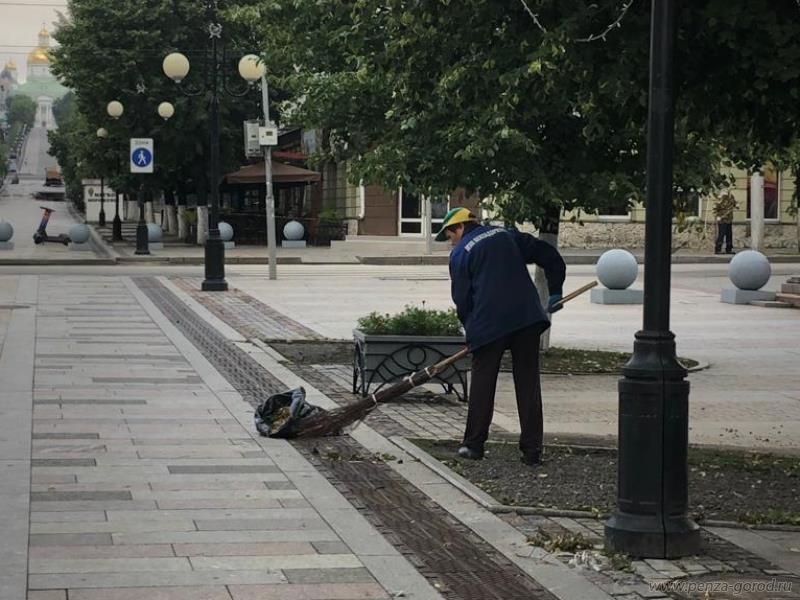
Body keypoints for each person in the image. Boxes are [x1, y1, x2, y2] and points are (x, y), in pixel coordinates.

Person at [436, 207, 566, 466]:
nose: (451, 242)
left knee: (483, 384)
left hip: (489, 324)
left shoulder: (460, 254)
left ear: (458, 227)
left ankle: (473, 445)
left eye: (450, 236)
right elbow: (548, 254)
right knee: (528, 383)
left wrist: (471, 330)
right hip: (526, 319)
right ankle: (532, 450)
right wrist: (555, 290)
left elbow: (462, 299)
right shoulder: (507, 235)